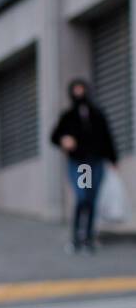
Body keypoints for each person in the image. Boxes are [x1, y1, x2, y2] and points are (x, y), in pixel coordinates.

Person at [50, 78, 119, 253]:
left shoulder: (97, 114)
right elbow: (54, 136)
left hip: (95, 162)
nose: (80, 93)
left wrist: (113, 160)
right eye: (76, 90)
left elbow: (108, 138)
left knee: (92, 199)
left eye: (82, 89)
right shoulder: (68, 116)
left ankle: (88, 237)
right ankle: (77, 237)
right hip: (81, 164)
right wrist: (64, 140)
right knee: (83, 197)